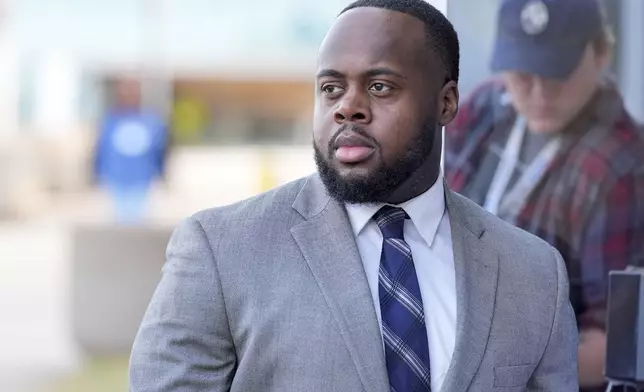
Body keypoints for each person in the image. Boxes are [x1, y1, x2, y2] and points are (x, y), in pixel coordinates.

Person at [129, 0, 578, 390]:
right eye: (331, 89)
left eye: (380, 86)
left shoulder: (535, 275)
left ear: (446, 103)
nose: (348, 106)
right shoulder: (219, 252)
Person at [443, 0, 644, 391]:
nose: (538, 93)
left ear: (601, 53)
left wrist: (490, 366)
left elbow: (619, 344)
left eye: (557, 73)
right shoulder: (483, 109)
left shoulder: (622, 167)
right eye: (521, 73)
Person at [93, 78, 169, 224]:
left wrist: (161, 173)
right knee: (118, 222)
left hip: (141, 180)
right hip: (116, 180)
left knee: (138, 223)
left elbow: (159, 151)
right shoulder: (110, 121)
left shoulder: (150, 121)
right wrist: (97, 173)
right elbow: (101, 149)